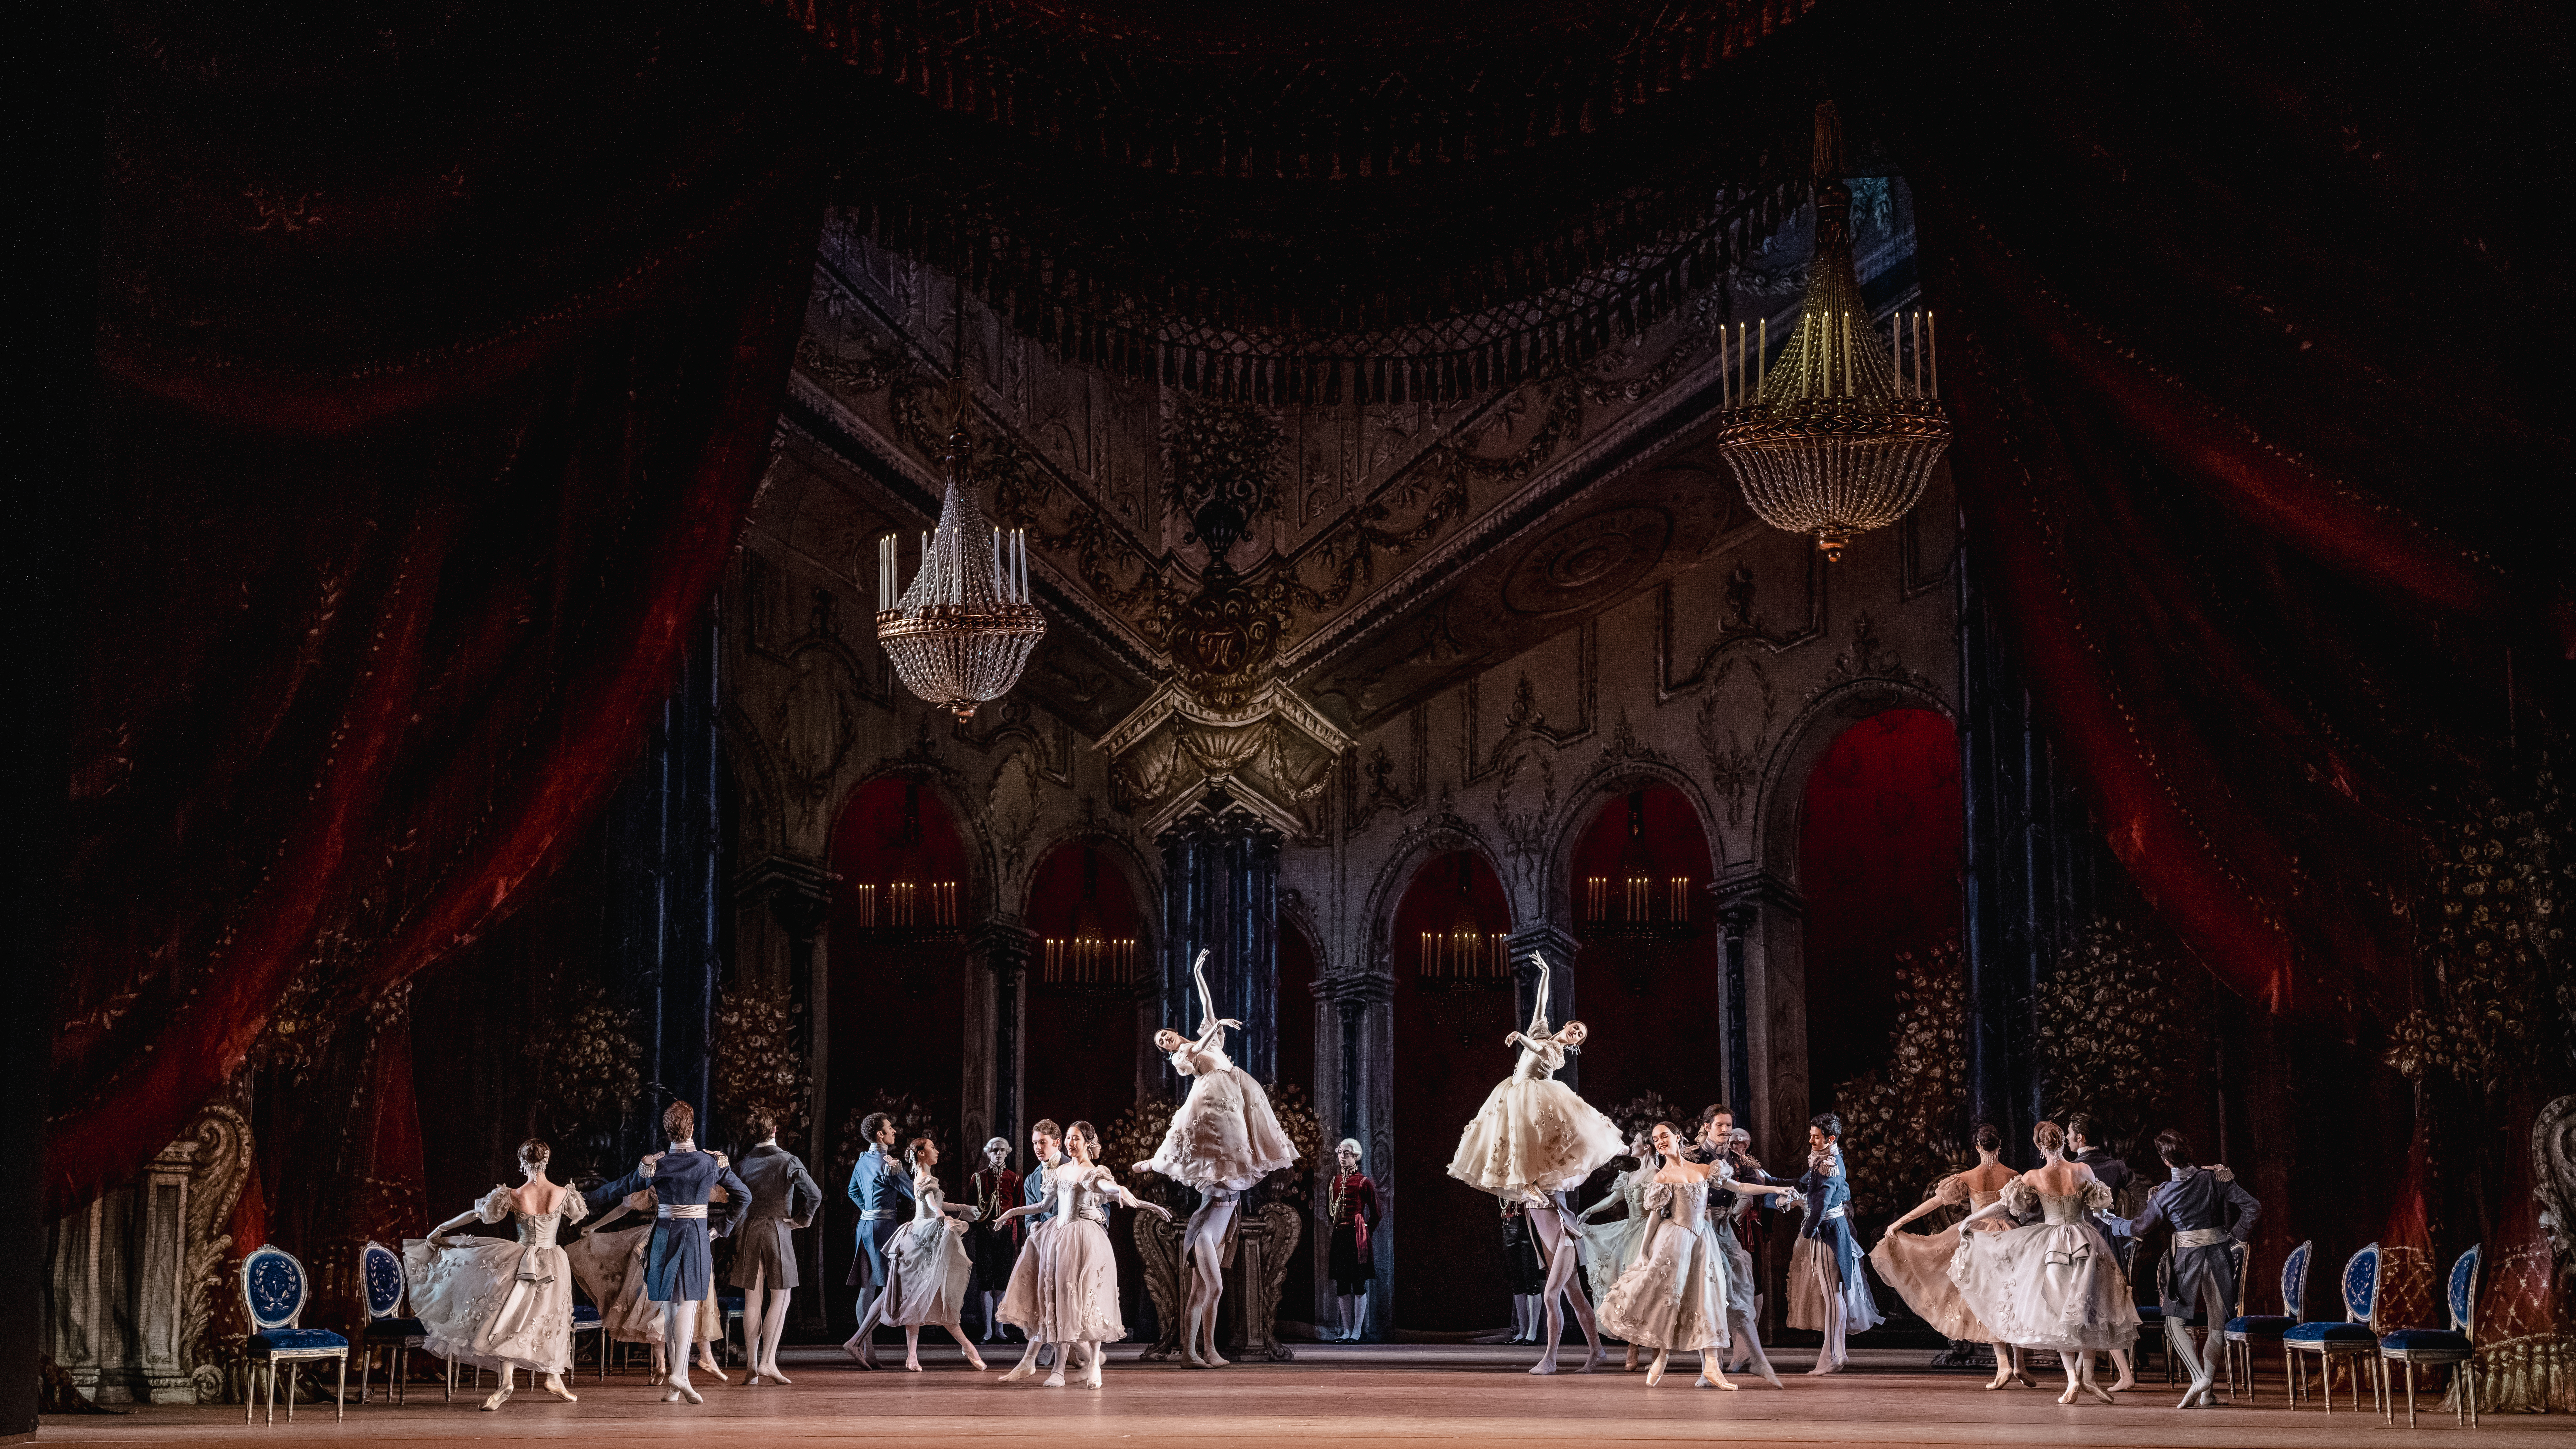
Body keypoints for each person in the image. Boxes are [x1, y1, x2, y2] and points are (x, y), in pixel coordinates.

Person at [1447, 952, 1624, 1374]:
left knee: (1550, 1296)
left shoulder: (1556, 1053)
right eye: (1574, 1025)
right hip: (1516, 1095)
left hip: (1564, 1237)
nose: (1574, 1031)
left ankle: (1549, 1358)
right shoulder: (1543, 1029)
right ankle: (1597, 1351)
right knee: (1574, 1296)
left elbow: (1538, 1049)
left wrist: (1521, 1040)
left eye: (1580, 1033)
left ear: (1575, 1042)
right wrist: (1544, 972)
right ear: (1566, 1024)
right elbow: (1540, 1005)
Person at [1135, 949, 1298, 1368]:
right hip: (1211, 1099)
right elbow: (1199, 1050)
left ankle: (1203, 1350)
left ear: (1175, 1030)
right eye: (1160, 1042)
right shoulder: (1183, 1057)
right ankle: (1196, 1350)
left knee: (1204, 1291)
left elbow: (1207, 1007)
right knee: (1212, 1288)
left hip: (1232, 1089)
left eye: (1166, 1035)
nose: (1165, 1041)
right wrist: (1215, 1029)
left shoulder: (1206, 1035)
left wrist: (1198, 972)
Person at [1949, 1120, 2140, 1405]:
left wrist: (1971, 1218)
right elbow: (2100, 1209)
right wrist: (2116, 1221)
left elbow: (2004, 1205)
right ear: (2062, 1142)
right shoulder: (2082, 1170)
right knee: (2089, 1307)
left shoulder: (2035, 1176)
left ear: (2040, 1147)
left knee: (2058, 1311)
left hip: (2054, 1245)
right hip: (2084, 1240)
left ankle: (2075, 1379)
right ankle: (2087, 1377)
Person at [1593, 1120, 1791, 1389]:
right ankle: (1662, 1355)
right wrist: (1643, 1252)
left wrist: (1775, 1189)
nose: (1660, 1142)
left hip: (1704, 1240)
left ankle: (1712, 1366)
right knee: (1668, 1297)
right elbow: (1654, 1219)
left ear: (1678, 1137)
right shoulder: (1662, 1177)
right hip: (1675, 1238)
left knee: (1707, 1298)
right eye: (1656, 1139)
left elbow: (1741, 1188)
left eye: (1664, 1136)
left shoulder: (1703, 1169)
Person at [582, 1102, 751, 1404]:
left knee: (671, 1309)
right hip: (694, 1237)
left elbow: (620, 1187)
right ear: (693, 1127)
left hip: (663, 1237)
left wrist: (582, 1199)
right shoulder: (711, 1162)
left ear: (668, 1131)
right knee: (686, 1307)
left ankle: (676, 1384)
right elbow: (744, 1195)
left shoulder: (655, 1165)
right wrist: (721, 1229)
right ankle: (680, 1377)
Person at [405, 1139, 586, 1410]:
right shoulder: (563, 1193)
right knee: (552, 1316)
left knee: (509, 1316)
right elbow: (578, 1215)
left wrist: (442, 1228)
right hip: (553, 1262)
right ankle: (548, 1378)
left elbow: (476, 1214)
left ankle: (522, 1381)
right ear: (547, 1160)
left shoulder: (514, 1194)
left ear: (522, 1162)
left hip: (521, 1259)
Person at [996, 1120, 1174, 1389]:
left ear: (1088, 1143)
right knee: (1062, 1300)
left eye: (1076, 1138)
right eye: (1069, 1137)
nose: (1071, 1143)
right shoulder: (1062, 1170)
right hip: (1060, 1238)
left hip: (1086, 1239)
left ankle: (1093, 1365)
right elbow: (1044, 1205)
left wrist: (1139, 1200)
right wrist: (1013, 1212)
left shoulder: (1095, 1172)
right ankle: (1058, 1370)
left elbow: (1109, 1191)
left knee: (1091, 1297)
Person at [2102, 1128, 2260, 1409]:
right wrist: (2235, 1236)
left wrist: (2112, 1221)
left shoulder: (2164, 1194)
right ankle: (2207, 1394)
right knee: (2217, 1325)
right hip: (2220, 1256)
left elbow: (2139, 1228)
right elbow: (2253, 1207)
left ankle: (2200, 1380)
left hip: (2188, 1260)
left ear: (2165, 1160)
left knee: (2173, 1323)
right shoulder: (2216, 1177)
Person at [1871, 1122, 2034, 1390]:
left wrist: (1900, 1222)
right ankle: (2019, 1363)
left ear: (1978, 1147)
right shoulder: (2013, 1176)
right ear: (2000, 1145)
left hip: (1979, 1238)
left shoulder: (1968, 1176)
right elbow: (2024, 1210)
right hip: (2009, 1236)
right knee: (2011, 1296)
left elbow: (1934, 1203)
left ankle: (2005, 1364)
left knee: (1989, 1299)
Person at [848, 1138, 988, 1372]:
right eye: (933, 1147)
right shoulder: (924, 1178)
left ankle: (913, 1355)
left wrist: (962, 1209)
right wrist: (943, 1216)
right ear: (921, 1154)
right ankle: (963, 1348)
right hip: (922, 1237)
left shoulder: (923, 1176)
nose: (937, 1151)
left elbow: (934, 1200)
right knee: (912, 1295)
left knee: (913, 1295)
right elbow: (932, 1204)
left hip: (920, 1234)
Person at [1693, 1106, 1799, 1385]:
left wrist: (1778, 1194)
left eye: (1729, 1125)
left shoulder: (1740, 1162)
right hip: (1698, 1231)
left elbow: (1750, 1189)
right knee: (1705, 1296)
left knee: (1738, 1294)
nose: (1726, 1130)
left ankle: (1755, 1360)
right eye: (1720, 1125)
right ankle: (1710, 1367)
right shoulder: (1692, 1157)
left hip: (1725, 1230)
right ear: (1707, 1126)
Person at [730, 1110, 821, 1386]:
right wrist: (801, 1220)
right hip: (777, 1230)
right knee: (781, 1297)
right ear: (775, 1130)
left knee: (752, 1301)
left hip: (749, 1231)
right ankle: (768, 1361)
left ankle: (752, 1364)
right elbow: (815, 1194)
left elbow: (734, 1198)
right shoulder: (787, 1160)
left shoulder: (743, 1164)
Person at [1788, 1113, 1883, 1374]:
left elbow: (1821, 1205)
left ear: (1830, 1138)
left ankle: (1829, 1355)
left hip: (1828, 1232)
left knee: (1832, 1295)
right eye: (1811, 1136)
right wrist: (1773, 1185)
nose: (1811, 1141)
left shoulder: (1828, 1164)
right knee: (1835, 1295)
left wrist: (1808, 1231)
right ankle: (1838, 1352)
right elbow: (1811, 1185)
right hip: (1835, 1229)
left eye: (1816, 1137)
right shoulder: (1828, 1160)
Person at [1571, 1131, 1659, 1366]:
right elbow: (1613, 1199)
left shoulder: (1658, 1175)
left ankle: (1656, 1348)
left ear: (1648, 1147)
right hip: (1629, 1233)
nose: (1632, 1145)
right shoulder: (1630, 1176)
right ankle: (1633, 1344)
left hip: (1649, 1234)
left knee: (1645, 1291)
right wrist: (1590, 1210)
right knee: (1624, 1290)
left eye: (1636, 1141)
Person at [2065, 1112, 2138, 1391]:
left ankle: (2122, 1375)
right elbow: (2144, 1196)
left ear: (2080, 1137)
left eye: (2070, 1134)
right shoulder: (2117, 1166)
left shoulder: (2073, 1169)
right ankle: (2085, 1373)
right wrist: (2130, 1228)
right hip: (2110, 1241)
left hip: (2080, 1244)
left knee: (2093, 1308)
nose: (2067, 1138)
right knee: (2098, 1305)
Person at [843, 1111, 914, 1361]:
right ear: (880, 1134)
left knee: (868, 1287)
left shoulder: (862, 1160)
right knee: (890, 1285)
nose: (894, 1131)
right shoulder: (889, 1163)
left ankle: (869, 1350)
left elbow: (852, 1190)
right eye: (890, 1127)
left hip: (865, 1226)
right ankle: (859, 1343)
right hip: (883, 1227)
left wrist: (868, 1209)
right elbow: (914, 1193)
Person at [967, 1137, 1023, 1343]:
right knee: (985, 1282)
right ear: (988, 1153)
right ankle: (988, 1331)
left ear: (1007, 1152)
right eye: (994, 1150)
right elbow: (972, 1208)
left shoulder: (1014, 1179)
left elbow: (1019, 1210)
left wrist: (1020, 1238)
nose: (998, 1154)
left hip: (1006, 1235)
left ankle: (1000, 1330)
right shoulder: (978, 1178)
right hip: (985, 1234)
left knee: (1001, 1282)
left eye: (1002, 1150)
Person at [1323, 1139, 1378, 1342]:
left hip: (1357, 1239)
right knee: (1342, 1285)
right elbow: (1330, 1212)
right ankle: (1346, 1331)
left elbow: (1377, 1214)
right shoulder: (1335, 1182)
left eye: (1346, 1153)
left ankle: (1357, 1332)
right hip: (1340, 1237)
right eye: (1340, 1153)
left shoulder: (1364, 1182)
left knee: (1359, 1284)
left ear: (1356, 1156)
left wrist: (1366, 1231)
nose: (1342, 1156)